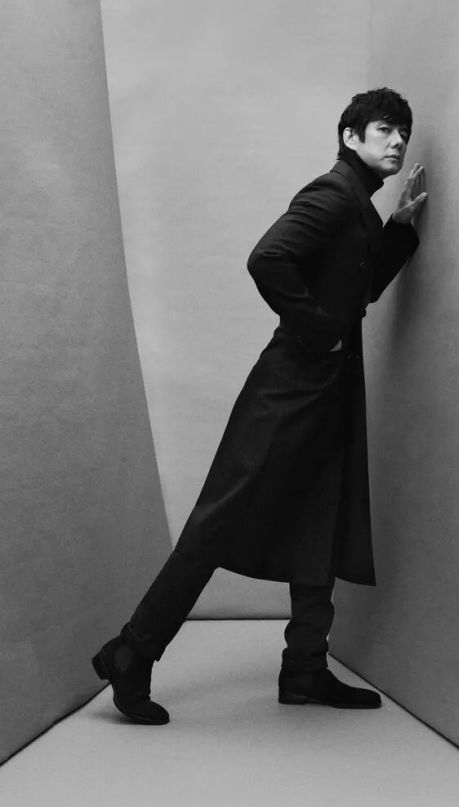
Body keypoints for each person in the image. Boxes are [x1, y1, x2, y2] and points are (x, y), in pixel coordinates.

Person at [92, 87, 427, 725]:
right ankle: (131, 651)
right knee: (219, 520)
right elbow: (267, 258)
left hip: (326, 389)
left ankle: (304, 669)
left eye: (403, 133)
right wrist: (320, 333)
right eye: (385, 129)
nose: (398, 141)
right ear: (350, 136)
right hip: (290, 387)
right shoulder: (332, 194)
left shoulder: (358, 205)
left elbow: (356, 290)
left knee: (319, 518)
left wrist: (399, 232)